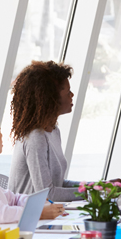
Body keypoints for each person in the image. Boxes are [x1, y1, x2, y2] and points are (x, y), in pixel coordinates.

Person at [8, 61, 82, 202]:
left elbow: (57, 184)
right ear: (50, 99)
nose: (72, 95)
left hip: (48, 216)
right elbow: (48, 195)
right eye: (67, 91)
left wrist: (96, 187)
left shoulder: (53, 131)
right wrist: (94, 193)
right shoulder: (35, 137)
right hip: (32, 221)